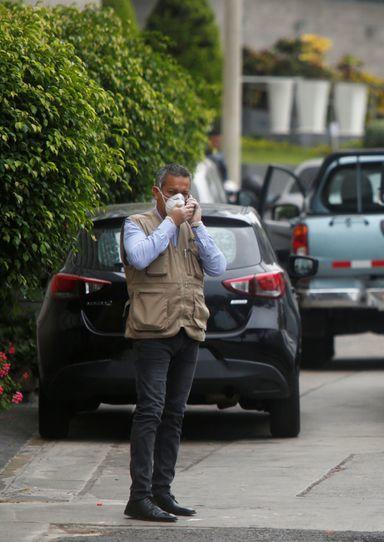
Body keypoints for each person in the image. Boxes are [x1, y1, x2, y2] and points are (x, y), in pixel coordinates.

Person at [120, 164, 226, 522]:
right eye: (172, 192)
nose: (180, 198)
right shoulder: (137, 224)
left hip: (188, 330)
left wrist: (198, 225)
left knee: (175, 413)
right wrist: (170, 221)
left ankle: (163, 492)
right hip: (152, 333)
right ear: (157, 192)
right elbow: (139, 257)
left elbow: (218, 267)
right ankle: (139, 497)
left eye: (185, 192)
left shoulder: (192, 229)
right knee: (150, 410)